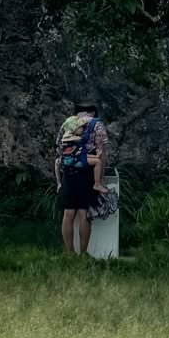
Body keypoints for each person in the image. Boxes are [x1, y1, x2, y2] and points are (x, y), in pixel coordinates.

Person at [54, 103, 108, 255]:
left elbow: (59, 148)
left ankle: (69, 253)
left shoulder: (68, 123)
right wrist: (101, 178)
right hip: (87, 173)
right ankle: (83, 254)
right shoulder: (97, 125)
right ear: (93, 111)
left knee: (68, 213)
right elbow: (102, 152)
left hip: (69, 173)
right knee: (84, 213)